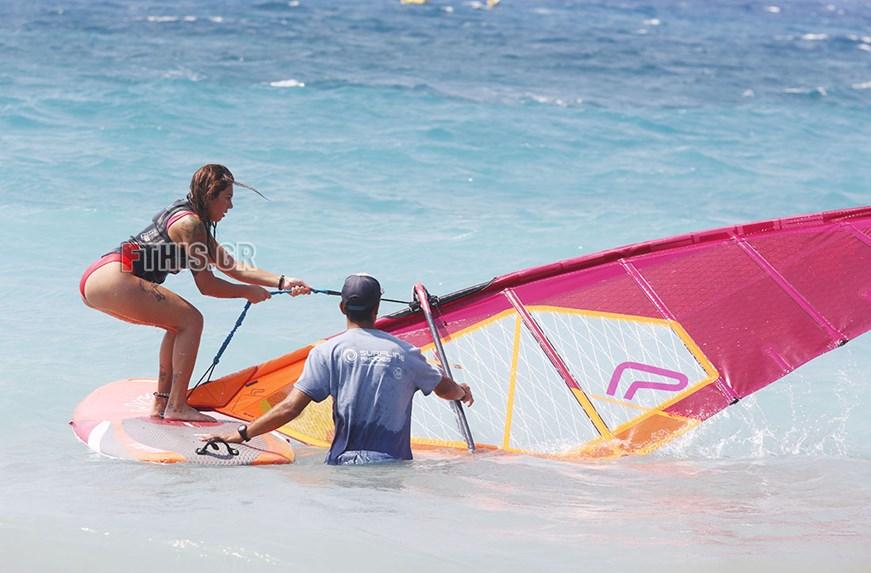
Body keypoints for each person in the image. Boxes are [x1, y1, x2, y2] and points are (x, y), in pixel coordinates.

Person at [80, 164, 311, 422]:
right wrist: (247, 292)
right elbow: (207, 286)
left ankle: (163, 403)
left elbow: (233, 267)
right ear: (211, 195)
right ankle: (177, 406)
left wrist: (283, 282)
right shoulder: (190, 225)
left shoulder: (191, 219)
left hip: (102, 277)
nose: (230, 206)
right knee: (192, 320)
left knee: (177, 323)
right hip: (115, 277)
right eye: (227, 198)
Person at [202, 273, 474, 464]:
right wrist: (462, 392)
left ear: (342, 307)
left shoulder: (326, 352)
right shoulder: (406, 353)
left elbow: (290, 408)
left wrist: (241, 434)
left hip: (342, 465)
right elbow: (445, 389)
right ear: (377, 307)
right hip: (392, 467)